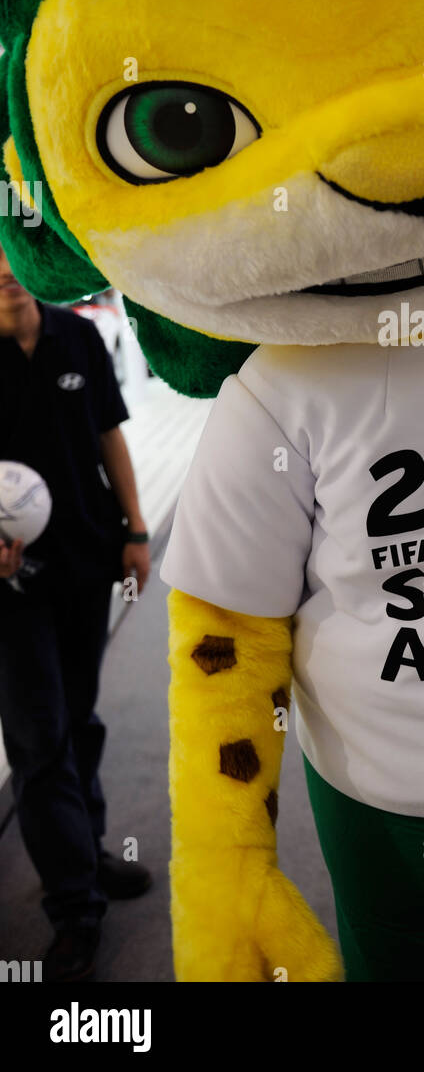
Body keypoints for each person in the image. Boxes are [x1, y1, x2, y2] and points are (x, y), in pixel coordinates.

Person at [0, 244, 152, 982]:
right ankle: (73, 909)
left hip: (87, 558)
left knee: (81, 716)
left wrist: (136, 529)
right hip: (10, 586)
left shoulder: (77, 336)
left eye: (7, 256)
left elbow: (108, 434)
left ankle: (83, 851)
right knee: (39, 741)